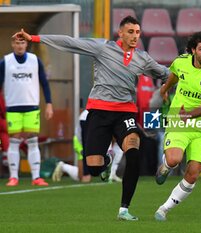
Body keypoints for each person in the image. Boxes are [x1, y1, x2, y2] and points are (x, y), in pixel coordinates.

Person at [14, 15, 169, 220]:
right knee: (94, 168)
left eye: (138, 32)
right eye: (130, 32)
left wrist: (181, 77)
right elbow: (70, 42)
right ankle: (107, 159)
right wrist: (34, 38)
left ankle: (124, 209)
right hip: (99, 112)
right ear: (120, 33)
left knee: (133, 152)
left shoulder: (143, 58)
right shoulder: (102, 48)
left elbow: (166, 73)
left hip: (125, 113)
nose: (134, 36)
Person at [154, 30, 201, 221]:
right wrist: (165, 88)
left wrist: (189, 115)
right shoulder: (181, 61)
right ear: (193, 50)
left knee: (193, 174)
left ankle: (164, 209)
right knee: (175, 159)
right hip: (179, 117)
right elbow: (175, 74)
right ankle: (166, 165)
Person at [0, 36, 53, 187]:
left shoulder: (35, 61)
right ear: (12, 44)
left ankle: (36, 177)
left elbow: (44, 83)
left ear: (26, 44)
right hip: (13, 107)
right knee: (14, 141)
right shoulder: (6, 62)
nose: (20, 45)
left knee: (32, 141)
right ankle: (13, 177)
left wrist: (49, 103)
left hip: (31, 107)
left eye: (22, 42)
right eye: (17, 43)